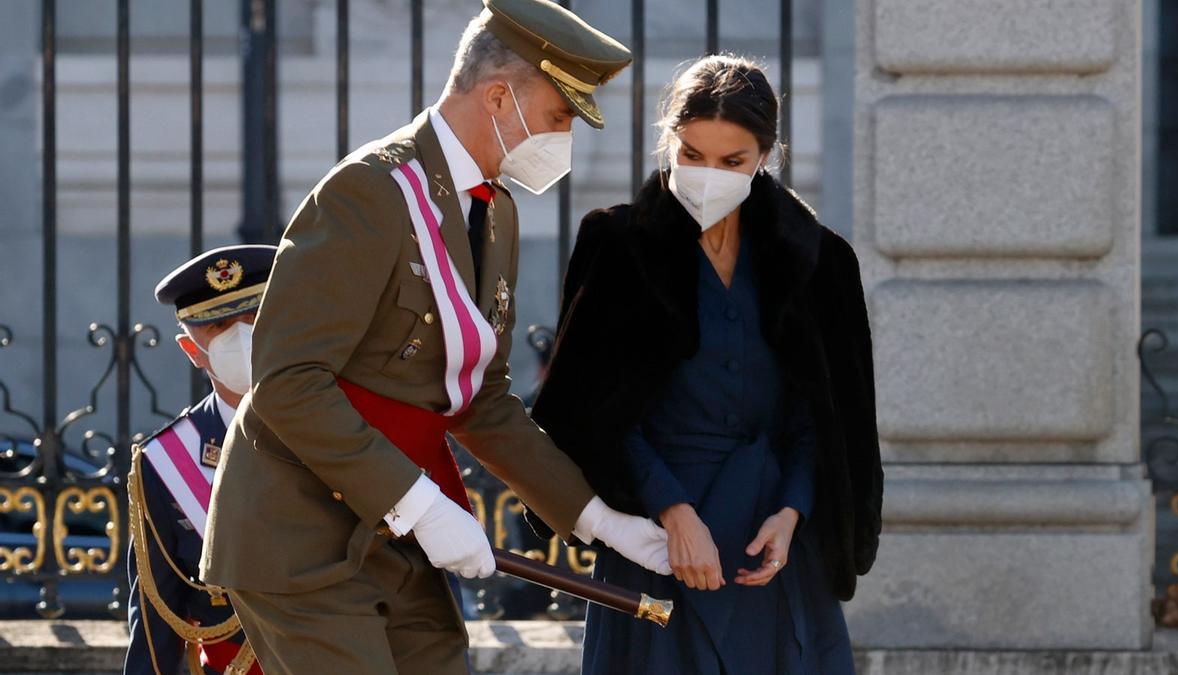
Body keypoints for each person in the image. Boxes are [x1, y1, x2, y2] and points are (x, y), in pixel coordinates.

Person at [199, 2, 672, 673]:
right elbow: (287, 381)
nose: (565, 139)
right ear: (500, 98)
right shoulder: (369, 191)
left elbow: (484, 399)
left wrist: (597, 518)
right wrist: (421, 505)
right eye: (560, 117)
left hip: (394, 533)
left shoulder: (495, 211)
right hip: (300, 532)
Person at [526, 55, 884, 674]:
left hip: (771, 547)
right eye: (691, 154)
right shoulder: (618, 245)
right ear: (670, 141)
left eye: (731, 161)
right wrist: (671, 509)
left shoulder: (818, 260)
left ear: (765, 157)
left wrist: (793, 510)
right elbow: (593, 408)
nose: (707, 174)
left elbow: (824, 415)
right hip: (656, 538)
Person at [126, 244, 276, 675]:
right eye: (221, 325)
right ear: (193, 351)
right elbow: (157, 620)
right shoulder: (166, 462)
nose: (243, 336)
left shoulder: (346, 426)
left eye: (254, 317)